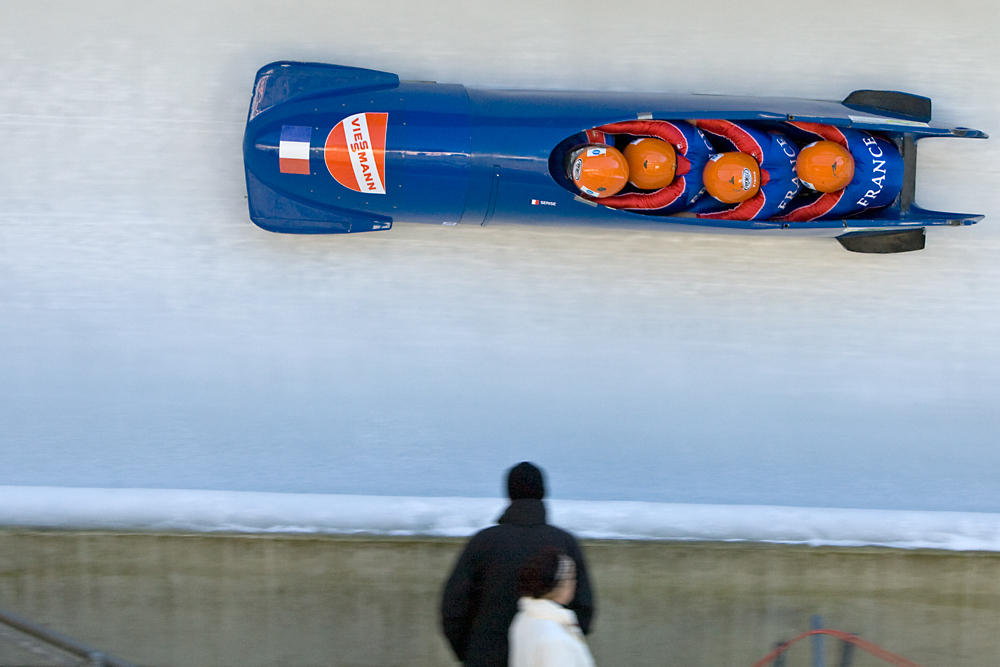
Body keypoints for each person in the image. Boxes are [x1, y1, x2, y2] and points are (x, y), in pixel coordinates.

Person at [441, 463, 595, 667]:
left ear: (509, 494)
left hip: (486, 656)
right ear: (543, 492)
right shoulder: (565, 543)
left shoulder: (482, 542)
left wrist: (471, 653)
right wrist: (561, 641)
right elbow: (584, 607)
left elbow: (453, 607)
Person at [774, 121, 904, 222]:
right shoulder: (847, 139)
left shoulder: (844, 198)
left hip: (886, 198)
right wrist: (780, 120)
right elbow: (816, 128)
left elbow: (807, 212)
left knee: (848, 211)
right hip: (890, 151)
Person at [576, 120, 713, 214]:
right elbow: (640, 126)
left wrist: (582, 199)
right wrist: (593, 125)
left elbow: (635, 202)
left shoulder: (677, 197)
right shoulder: (683, 135)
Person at [687, 119, 801, 220]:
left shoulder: (761, 205)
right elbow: (726, 126)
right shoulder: (756, 146)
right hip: (782, 150)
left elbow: (726, 217)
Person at [509, 548, 595, 667]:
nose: (574, 583)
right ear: (557, 585)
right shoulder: (557, 639)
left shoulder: (524, 617)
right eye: (571, 578)